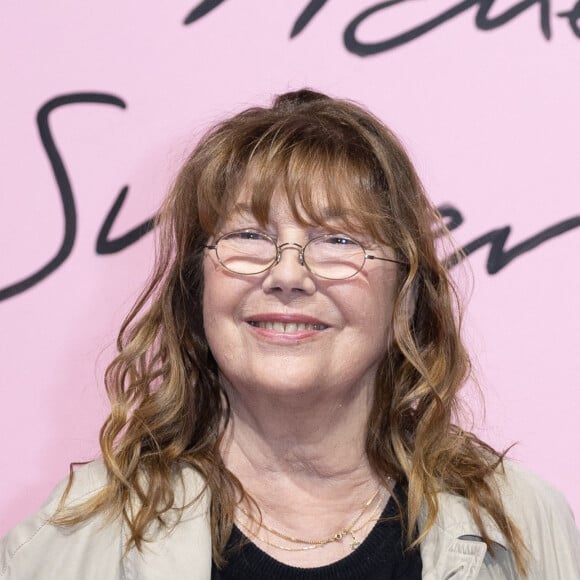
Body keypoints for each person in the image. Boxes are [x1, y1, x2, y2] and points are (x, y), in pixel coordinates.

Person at [1, 89, 579, 579]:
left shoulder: (520, 523)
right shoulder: (72, 544)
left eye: (339, 240)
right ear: (196, 288)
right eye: (248, 235)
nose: (286, 275)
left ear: (405, 293)